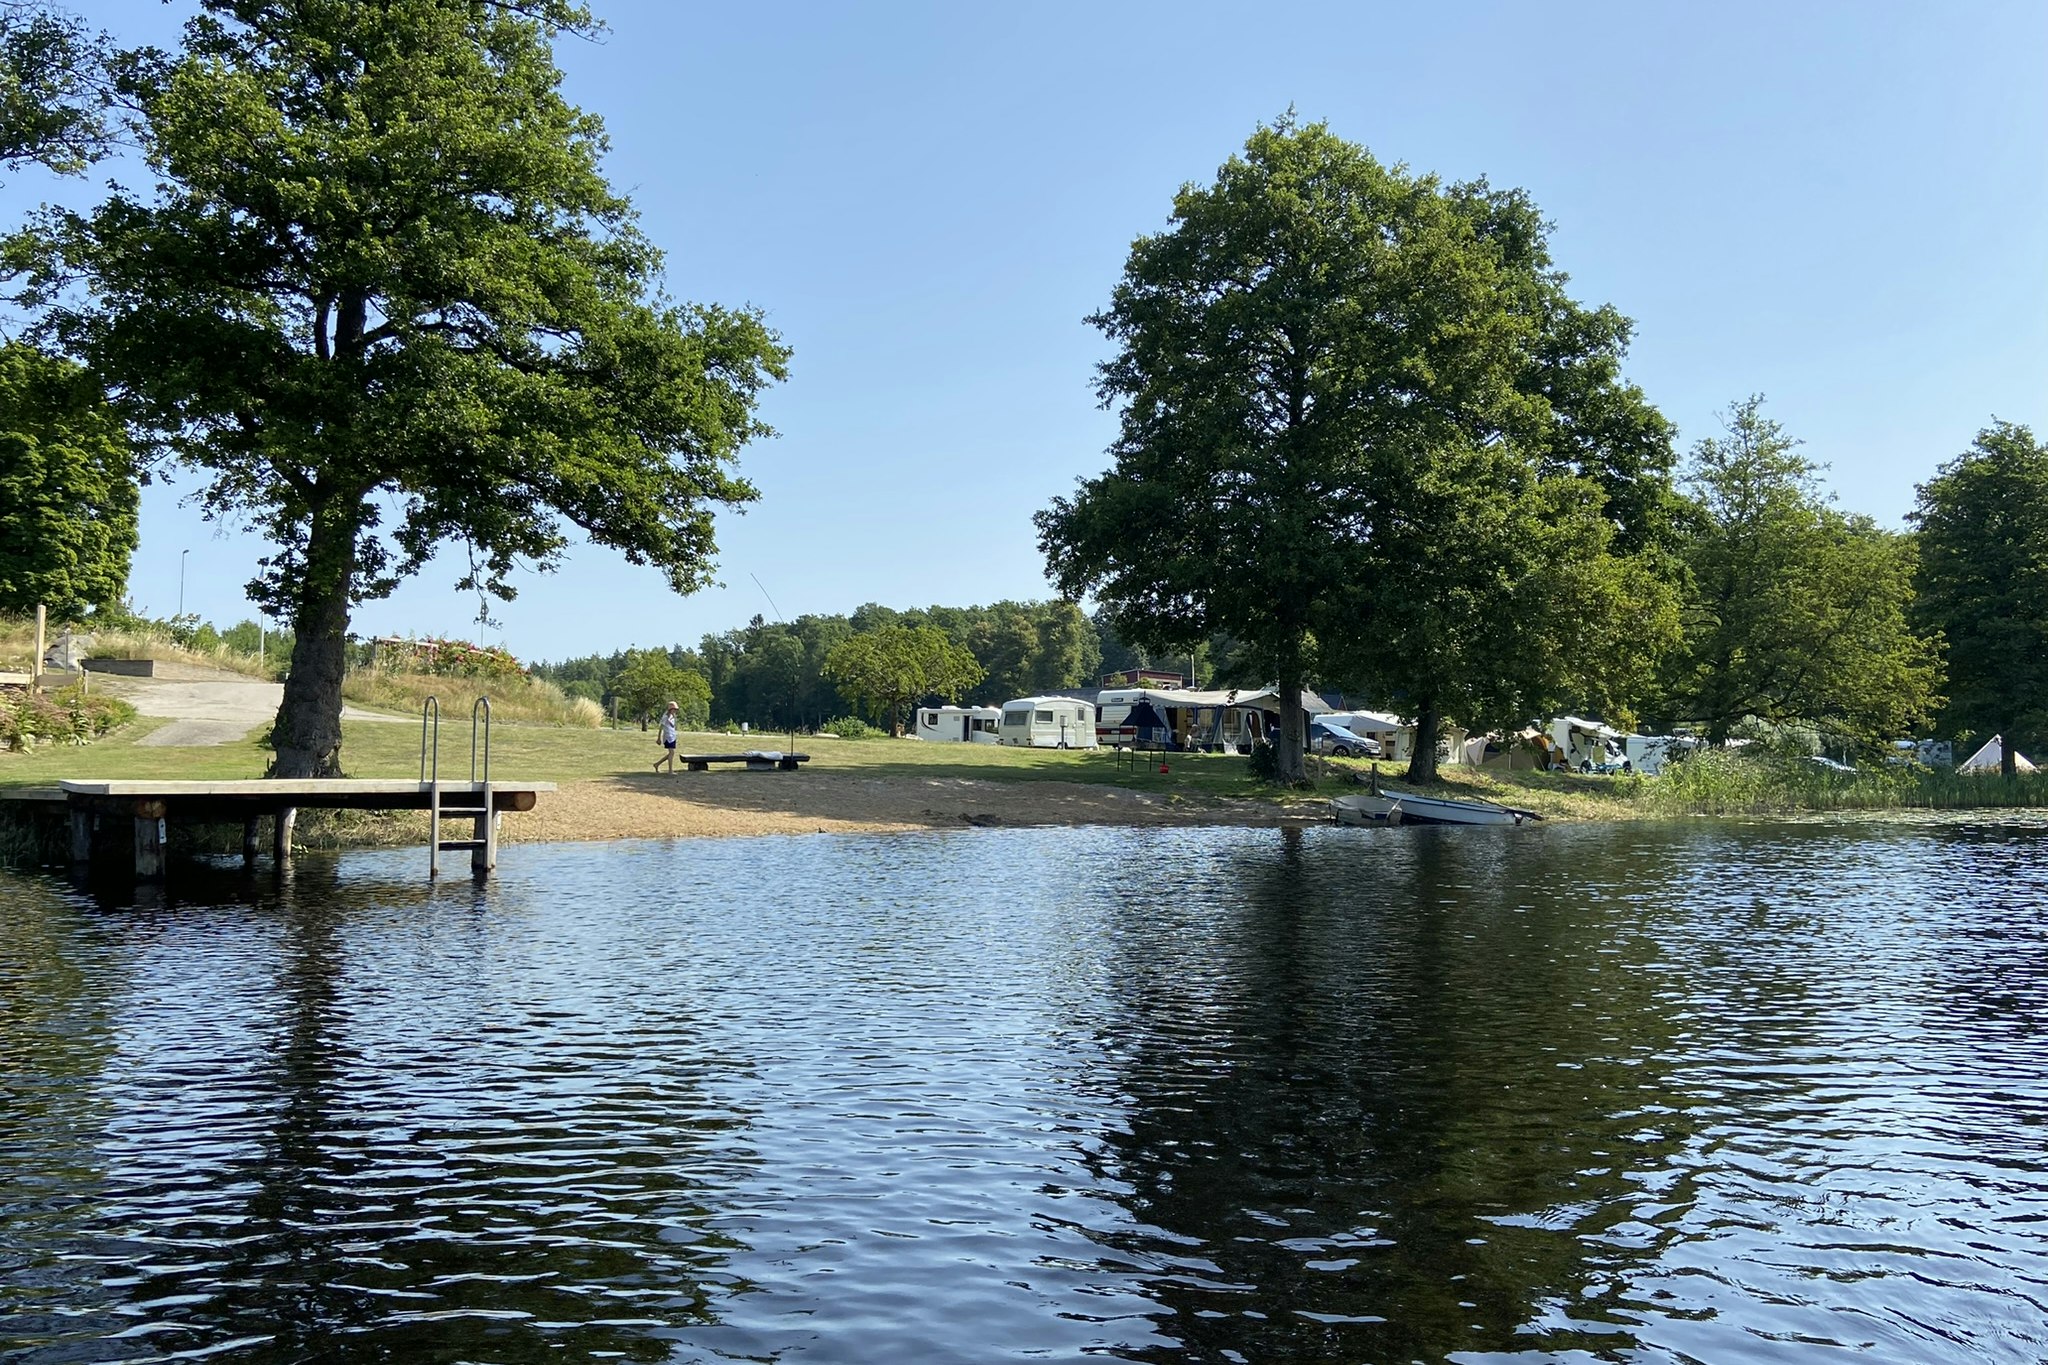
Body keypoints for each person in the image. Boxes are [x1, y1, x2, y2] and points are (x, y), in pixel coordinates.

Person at [654, 700, 679, 774]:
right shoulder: (665, 717)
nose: (675, 711)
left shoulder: (672, 716)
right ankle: (670, 770)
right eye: (674, 709)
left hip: (672, 736)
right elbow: (661, 727)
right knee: (671, 752)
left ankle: (657, 764)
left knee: (671, 753)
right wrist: (658, 738)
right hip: (668, 737)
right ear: (670, 709)